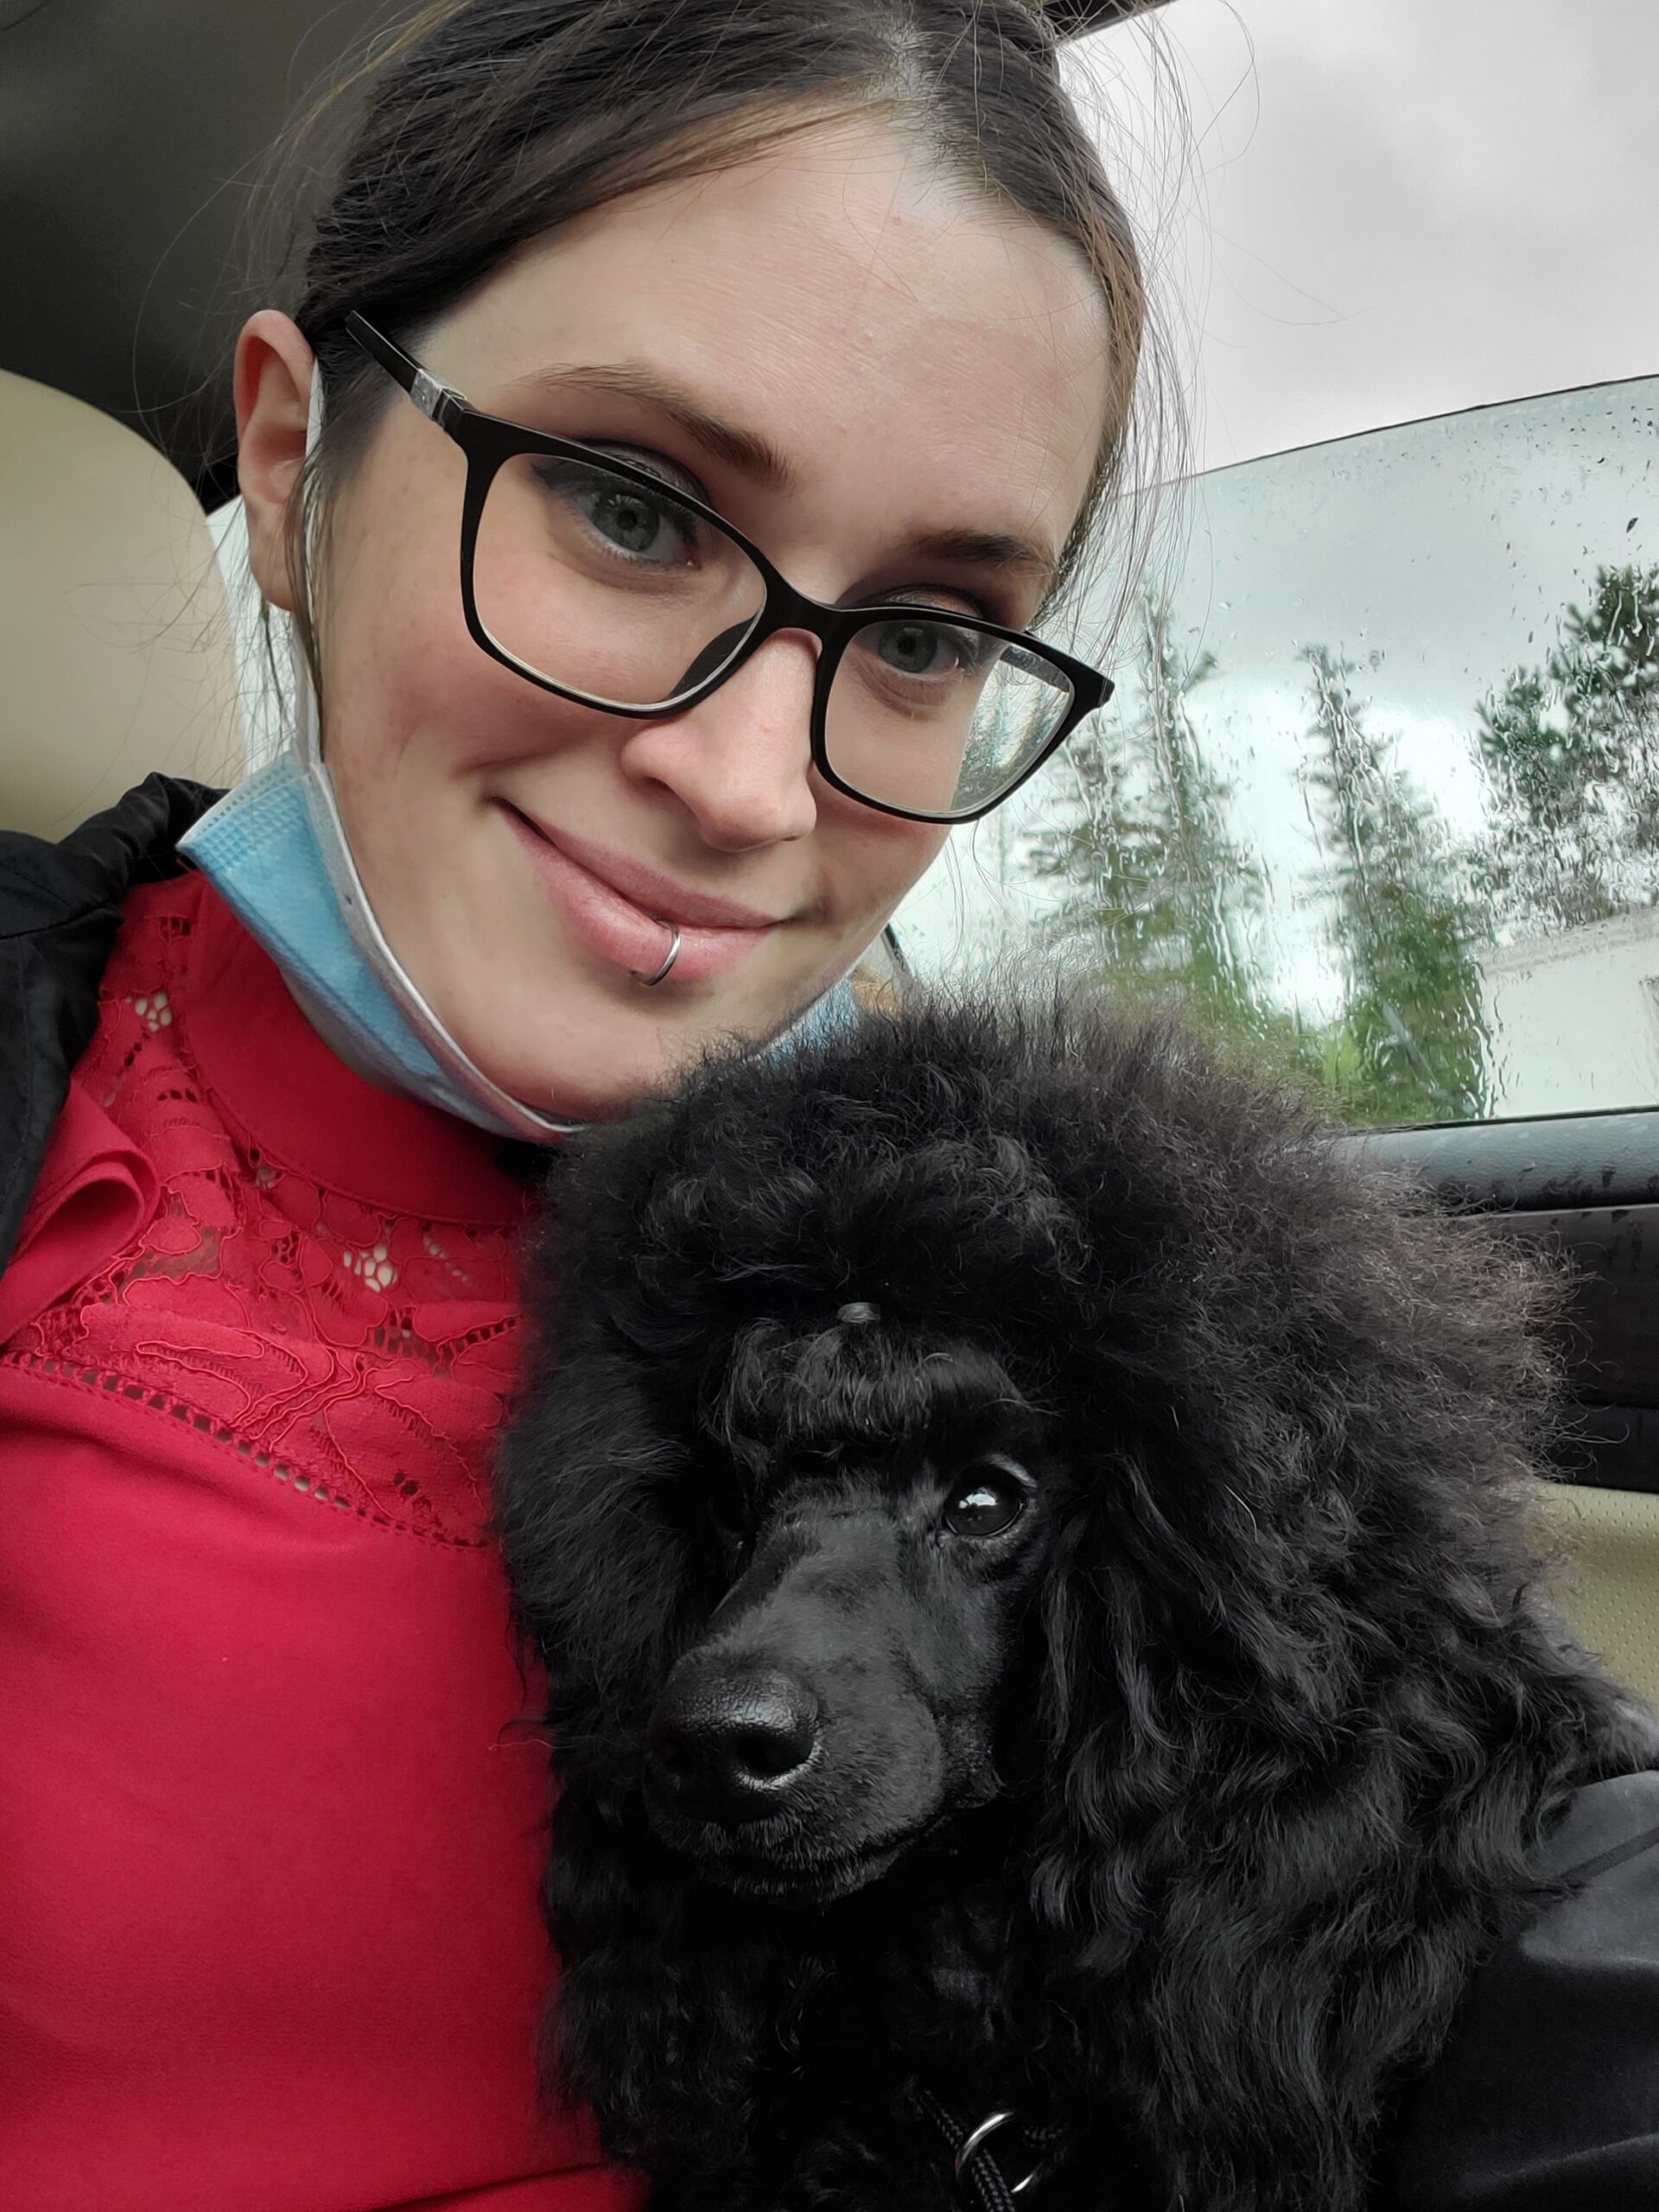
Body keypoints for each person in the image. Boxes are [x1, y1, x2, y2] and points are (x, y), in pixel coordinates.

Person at [0, 2, 1147, 2205]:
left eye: (917, 634)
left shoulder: (1053, 1294)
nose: (743, 786)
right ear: (282, 459)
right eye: (630, 510)